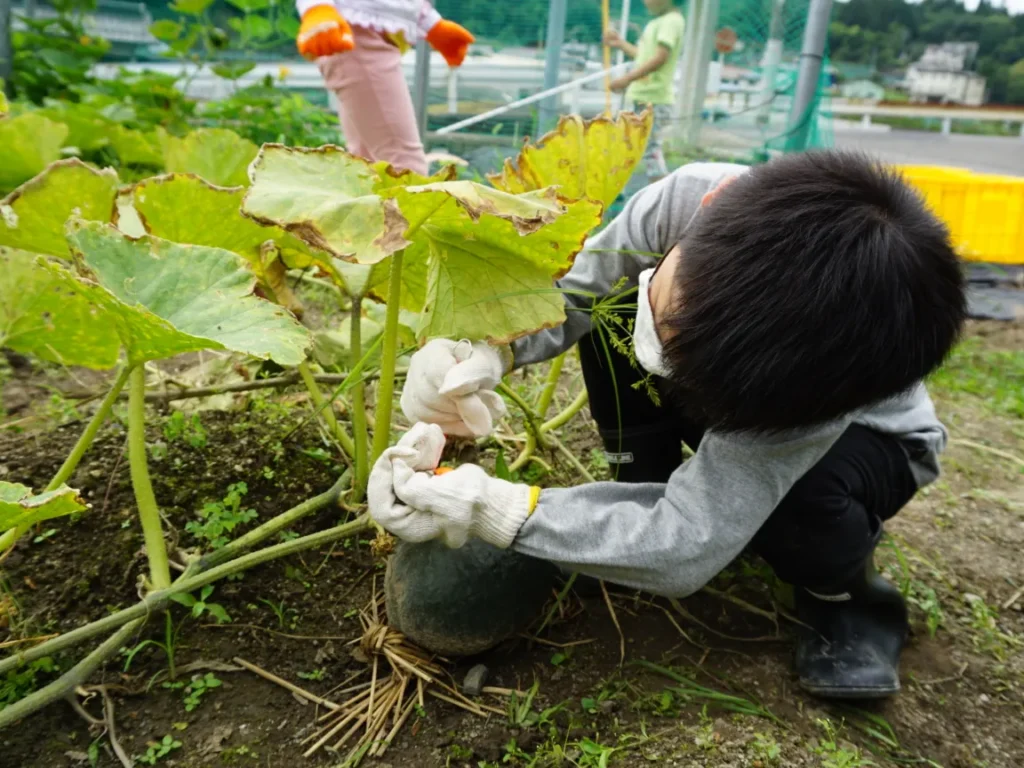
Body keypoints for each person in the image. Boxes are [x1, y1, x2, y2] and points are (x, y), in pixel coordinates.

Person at [369, 150, 966, 699]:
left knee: (800, 501)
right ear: (710, 207)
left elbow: (689, 542)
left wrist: (498, 509)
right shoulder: (688, 198)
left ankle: (848, 600)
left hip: (865, 448)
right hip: (745, 398)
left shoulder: (813, 391)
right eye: (675, 320)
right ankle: (633, 502)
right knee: (614, 305)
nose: (663, 352)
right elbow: (573, 294)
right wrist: (486, 349)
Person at [295, 0, 474, 175]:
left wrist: (432, 24)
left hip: (364, 33)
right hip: (354, 34)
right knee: (404, 166)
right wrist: (316, 8)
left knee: (368, 166)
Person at [604, 0, 685, 183]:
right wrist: (621, 44)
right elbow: (644, 56)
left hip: (653, 99)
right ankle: (619, 191)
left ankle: (662, 195)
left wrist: (627, 79)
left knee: (650, 152)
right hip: (641, 96)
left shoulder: (671, 21)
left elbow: (660, 58)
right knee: (625, 146)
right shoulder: (658, 22)